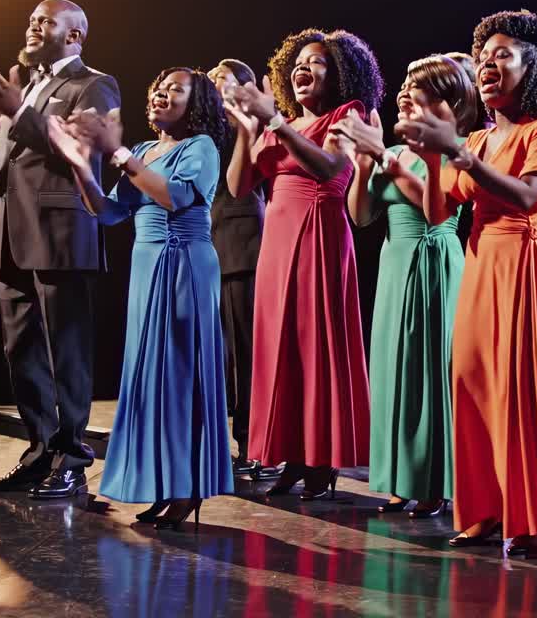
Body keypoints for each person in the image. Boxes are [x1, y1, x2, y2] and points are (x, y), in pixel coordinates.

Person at [399, 10, 537, 557]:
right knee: (473, 384)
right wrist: (430, 154)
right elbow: (438, 210)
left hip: (527, 263)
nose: (488, 65)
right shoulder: (477, 137)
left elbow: (525, 196)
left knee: (522, 390)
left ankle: (530, 516)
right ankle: (485, 510)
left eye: (502, 56)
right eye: (483, 58)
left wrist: (457, 153)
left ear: (534, 65)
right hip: (481, 266)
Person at [47, 67, 234, 529]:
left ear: (198, 104)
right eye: (159, 87)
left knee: (182, 377)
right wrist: (79, 163)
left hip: (185, 264)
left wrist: (118, 153)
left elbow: (174, 198)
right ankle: (161, 483)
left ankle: (187, 487)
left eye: (176, 89)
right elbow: (110, 212)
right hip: (148, 268)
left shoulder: (202, 148)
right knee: (153, 381)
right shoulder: (149, 150)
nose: (161, 93)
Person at [0, 0, 121, 499]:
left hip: (60, 233)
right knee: (21, 352)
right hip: (13, 233)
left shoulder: (94, 84)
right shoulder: (27, 89)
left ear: (74, 36)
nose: (33, 27)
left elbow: (76, 147)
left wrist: (17, 109)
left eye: (45, 22)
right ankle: (39, 451)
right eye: (31, 20)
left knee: (64, 351)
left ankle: (71, 456)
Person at [224, 29, 382, 499]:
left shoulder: (346, 114)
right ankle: (292, 453)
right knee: (281, 347)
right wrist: (246, 130)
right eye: (298, 61)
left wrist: (275, 123)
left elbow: (330, 168)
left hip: (319, 232)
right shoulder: (282, 123)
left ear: (340, 73)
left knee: (316, 346)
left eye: (317, 62)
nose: (303, 68)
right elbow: (238, 186)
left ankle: (321, 459)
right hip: (277, 238)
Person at [340, 55, 477, 518]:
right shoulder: (394, 154)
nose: (403, 94)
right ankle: (400, 479)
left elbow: (437, 212)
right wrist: (363, 165)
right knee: (394, 369)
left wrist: (383, 158)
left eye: (415, 88)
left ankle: (437, 483)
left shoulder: (456, 147)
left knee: (432, 372)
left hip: (436, 260)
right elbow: (360, 216)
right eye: (403, 85)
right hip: (395, 262)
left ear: (445, 102)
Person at [207, 59, 280, 481]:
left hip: (242, 246)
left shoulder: (251, 125)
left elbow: (246, 181)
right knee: (224, 355)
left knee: (246, 351)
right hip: (210, 245)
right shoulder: (207, 130)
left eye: (224, 79)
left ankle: (256, 445)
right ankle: (235, 442)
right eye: (212, 79)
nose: (215, 85)